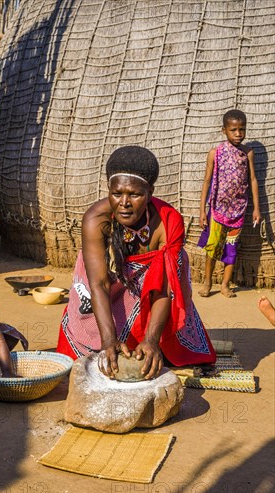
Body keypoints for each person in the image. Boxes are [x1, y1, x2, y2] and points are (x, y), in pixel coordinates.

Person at [56, 145, 216, 380]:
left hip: (153, 292)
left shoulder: (168, 223)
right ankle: (113, 338)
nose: (124, 202)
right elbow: (99, 284)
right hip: (106, 282)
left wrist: (151, 340)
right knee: (91, 353)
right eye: (117, 193)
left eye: (134, 194)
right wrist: (108, 341)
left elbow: (164, 290)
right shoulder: (96, 220)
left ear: (150, 192)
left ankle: (156, 341)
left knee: (177, 261)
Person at [198, 109, 261, 298]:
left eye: (242, 129)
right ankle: (208, 283)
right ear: (224, 130)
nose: (238, 134)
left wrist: (256, 208)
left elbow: (253, 180)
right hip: (217, 209)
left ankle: (225, 285)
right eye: (233, 130)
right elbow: (207, 182)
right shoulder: (215, 153)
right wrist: (202, 211)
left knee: (231, 248)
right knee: (213, 247)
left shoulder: (247, 153)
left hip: (238, 211)